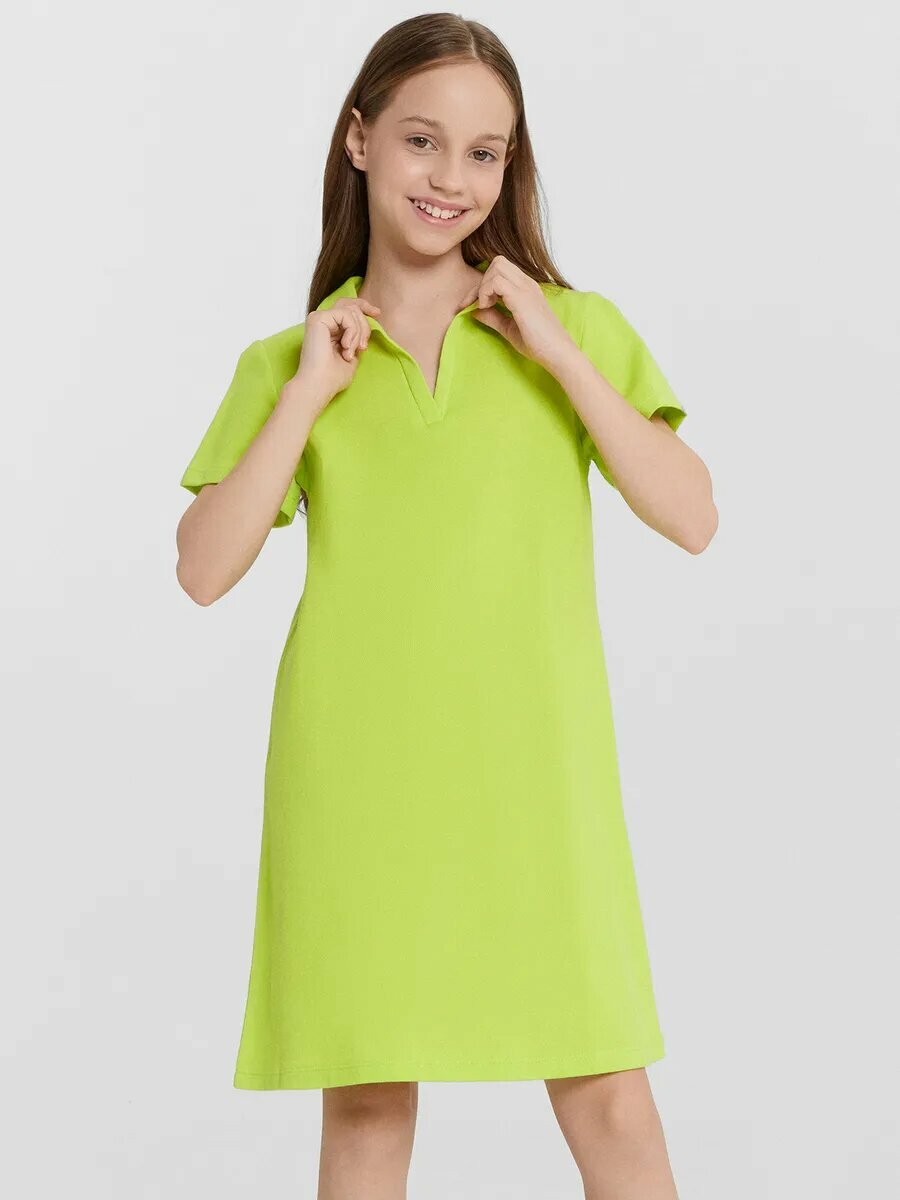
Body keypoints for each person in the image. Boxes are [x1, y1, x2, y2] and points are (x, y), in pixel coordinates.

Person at [176, 13, 717, 1199]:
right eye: (423, 140)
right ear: (360, 139)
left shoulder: (574, 331)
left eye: (485, 153)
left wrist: (561, 356)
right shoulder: (290, 360)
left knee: (609, 1096)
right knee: (369, 1104)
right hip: (358, 783)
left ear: (511, 167)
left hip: (537, 775)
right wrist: (307, 394)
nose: (452, 179)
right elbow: (204, 569)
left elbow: (692, 516)